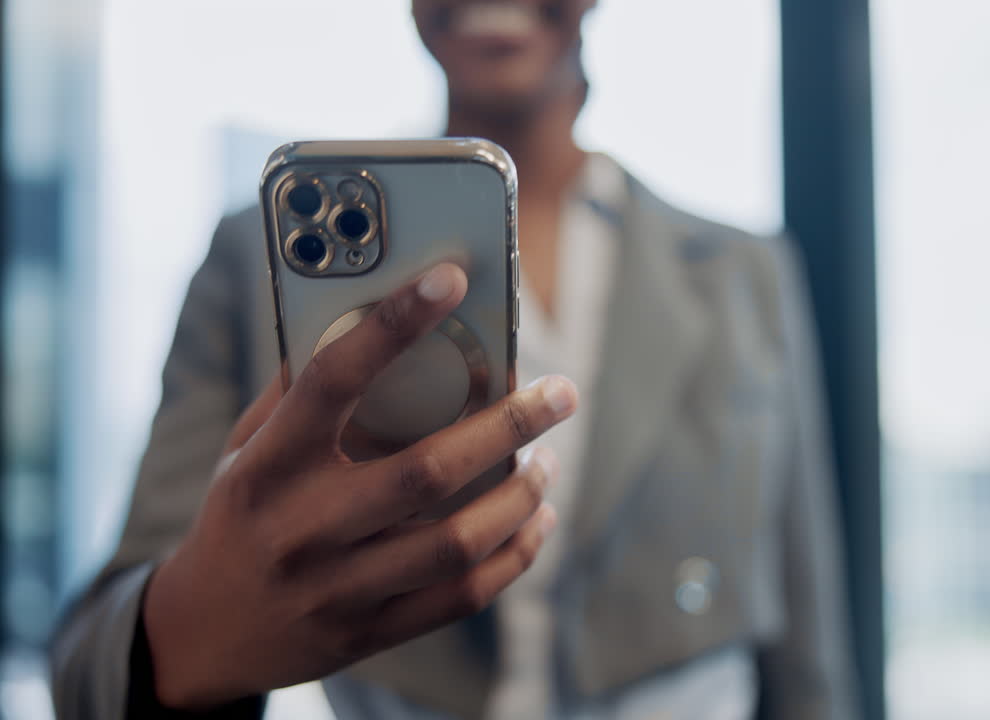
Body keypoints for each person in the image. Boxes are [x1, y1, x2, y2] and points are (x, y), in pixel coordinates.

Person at [51, 1, 855, 718]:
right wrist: (189, 636)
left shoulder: (745, 275)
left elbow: (808, 636)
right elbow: (91, 661)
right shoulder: (257, 259)